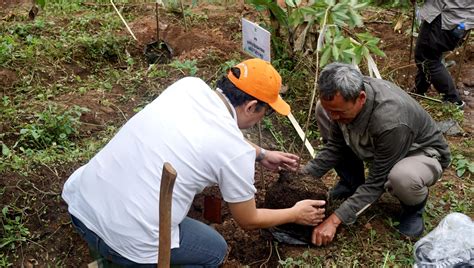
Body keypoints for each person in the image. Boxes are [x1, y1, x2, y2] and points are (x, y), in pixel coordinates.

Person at [62, 58, 326, 267]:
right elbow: (248, 219)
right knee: (215, 251)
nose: (261, 120)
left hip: (82, 207)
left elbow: (206, 133)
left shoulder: (188, 87)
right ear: (250, 106)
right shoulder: (233, 150)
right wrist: (295, 213)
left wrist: (261, 154)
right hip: (128, 243)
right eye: (264, 113)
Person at [303, 63, 451, 246]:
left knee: (402, 177)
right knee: (321, 110)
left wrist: (334, 220)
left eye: (339, 112)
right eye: (332, 110)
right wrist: (301, 177)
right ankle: (351, 183)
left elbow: (376, 182)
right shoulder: (345, 99)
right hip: (385, 144)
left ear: (361, 98)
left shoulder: (390, 120)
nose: (334, 118)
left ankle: (414, 209)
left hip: (420, 152)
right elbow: (335, 147)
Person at [412, 0, 473, 108]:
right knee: (430, 54)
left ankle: (454, 101)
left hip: (445, 17)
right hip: (461, 19)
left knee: (427, 58)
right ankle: (419, 91)